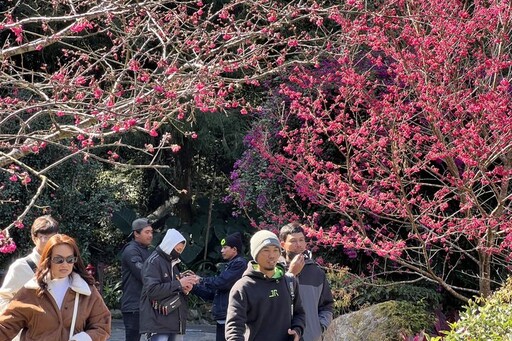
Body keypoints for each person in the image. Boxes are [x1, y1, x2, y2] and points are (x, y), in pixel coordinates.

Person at [0, 233, 111, 340]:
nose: (65, 264)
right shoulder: (31, 291)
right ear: (48, 260)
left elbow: (102, 325)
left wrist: (85, 338)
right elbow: (5, 327)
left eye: (70, 259)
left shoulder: (86, 291)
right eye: (58, 260)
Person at [225, 230, 306, 341]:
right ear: (255, 254)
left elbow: (299, 313)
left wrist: (297, 330)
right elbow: (234, 329)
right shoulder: (243, 287)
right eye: (266, 250)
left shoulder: (290, 281)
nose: (272, 255)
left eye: (276, 250)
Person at [139, 228, 199, 341]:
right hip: (158, 323)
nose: (179, 252)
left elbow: (173, 287)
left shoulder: (173, 263)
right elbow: (152, 291)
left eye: (181, 250)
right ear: (169, 245)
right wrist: (179, 284)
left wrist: (185, 289)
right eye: (177, 249)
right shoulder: (154, 262)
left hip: (175, 323)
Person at [279, 222, 334, 341]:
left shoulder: (316, 272)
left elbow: (327, 306)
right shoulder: (274, 271)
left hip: (311, 337)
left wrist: (319, 327)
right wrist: (291, 273)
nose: (298, 244)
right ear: (282, 244)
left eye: (301, 240)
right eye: (293, 241)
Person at [192, 232, 248, 341]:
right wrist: (193, 287)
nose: (222, 251)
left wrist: (201, 280)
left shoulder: (240, 264)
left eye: (225, 247)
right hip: (223, 318)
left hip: (232, 318)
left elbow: (221, 282)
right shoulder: (230, 266)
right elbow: (214, 293)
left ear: (234, 249)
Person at [0, 215, 59, 313]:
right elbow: (3, 298)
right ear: (34, 238)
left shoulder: (64, 264)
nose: (49, 241)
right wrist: (22, 319)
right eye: (43, 237)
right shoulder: (20, 267)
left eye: (52, 237)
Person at [121, 217, 154, 341]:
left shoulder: (148, 251)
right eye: (147, 232)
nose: (150, 235)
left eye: (151, 232)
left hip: (146, 305)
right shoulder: (131, 250)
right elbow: (143, 274)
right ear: (136, 233)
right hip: (133, 306)